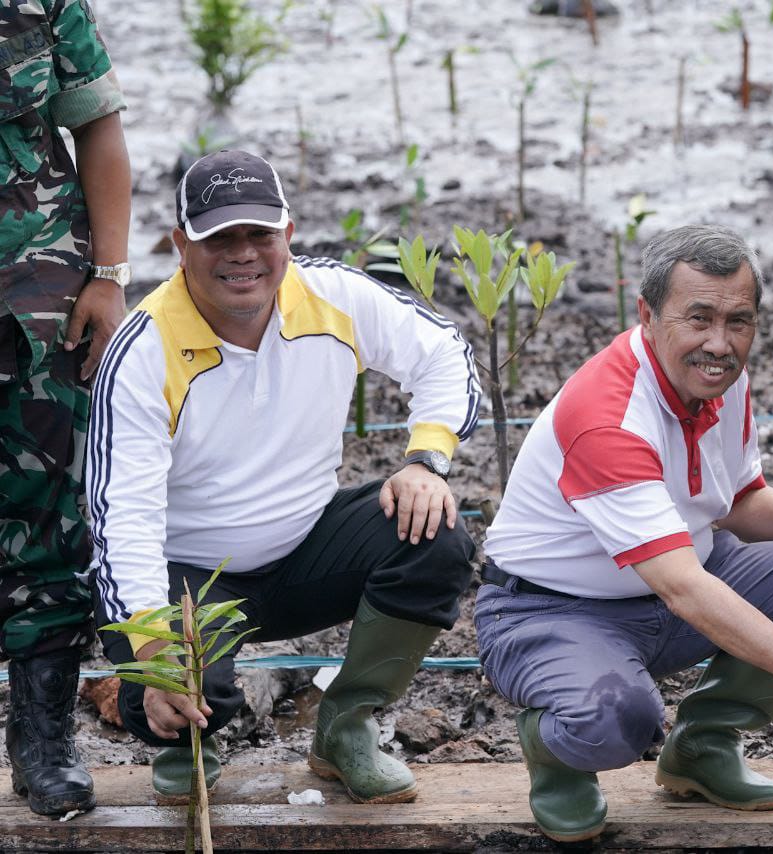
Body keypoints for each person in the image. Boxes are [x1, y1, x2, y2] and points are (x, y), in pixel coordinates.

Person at [476, 224, 773, 843]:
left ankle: (702, 746)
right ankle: (557, 753)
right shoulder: (609, 417)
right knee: (618, 718)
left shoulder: (718, 379)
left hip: (682, 583)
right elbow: (684, 589)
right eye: (697, 319)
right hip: (553, 610)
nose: (720, 345)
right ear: (647, 314)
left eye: (739, 322)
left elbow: (733, 499)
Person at [87, 150, 480, 805]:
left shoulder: (332, 295)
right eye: (219, 238)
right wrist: (156, 659)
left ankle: (346, 729)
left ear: (287, 236)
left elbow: (443, 353)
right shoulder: (145, 347)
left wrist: (425, 459)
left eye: (259, 235)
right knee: (180, 688)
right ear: (181, 245)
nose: (243, 254)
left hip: (305, 548)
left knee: (435, 536)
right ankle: (188, 743)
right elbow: (119, 517)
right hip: (189, 570)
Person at [2, 0, 131, 817]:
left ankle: (44, 736)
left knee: (47, 520)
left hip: (38, 295)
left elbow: (99, 126)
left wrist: (111, 273)